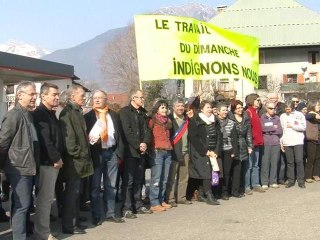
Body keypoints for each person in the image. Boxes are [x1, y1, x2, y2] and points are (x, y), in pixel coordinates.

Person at [0, 81, 38, 239]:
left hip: (28, 165)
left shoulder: (27, 113)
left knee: (23, 204)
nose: (34, 97)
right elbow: (3, 142)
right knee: (21, 205)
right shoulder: (13, 115)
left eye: (35, 94)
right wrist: (1, 167)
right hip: (18, 167)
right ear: (19, 95)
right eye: (31, 94)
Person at [84, 90, 125, 225]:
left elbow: (119, 134)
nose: (96, 100)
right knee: (95, 186)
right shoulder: (88, 116)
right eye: (94, 98)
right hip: (97, 153)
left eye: (99, 98)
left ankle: (111, 213)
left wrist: (119, 153)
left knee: (111, 185)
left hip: (111, 152)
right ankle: (97, 215)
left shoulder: (113, 115)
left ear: (105, 99)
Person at [59, 85, 94, 235]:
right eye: (81, 95)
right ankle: (70, 225)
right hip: (74, 160)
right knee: (72, 194)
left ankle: (76, 220)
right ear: (72, 96)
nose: (84, 97)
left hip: (80, 159)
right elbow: (70, 140)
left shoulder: (77, 112)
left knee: (77, 193)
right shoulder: (67, 113)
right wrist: (79, 153)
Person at [33, 83, 64, 240]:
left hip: (53, 162)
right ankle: (42, 233)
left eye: (58, 94)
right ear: (43, 96)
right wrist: (56, 158)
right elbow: (45, 140)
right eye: (54, 94)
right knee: (45, 199)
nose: (57, 97)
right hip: (48, 163)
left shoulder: (50, 113)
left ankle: (43, 231)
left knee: (47, 198)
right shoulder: (40, 114)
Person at [119, 89, 152, 219]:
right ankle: (126, 208)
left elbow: (148, 131)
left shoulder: (144, 113)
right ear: (133, 98)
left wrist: (145, 143)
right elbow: (127, 132)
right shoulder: (125, 112)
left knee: (139, 180)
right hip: (130, 152)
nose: (143, 99)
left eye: (143, 97)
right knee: (129, 181)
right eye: (140, 97)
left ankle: (138, 205)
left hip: (142, 152)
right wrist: (138, 145)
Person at [188, 100, 221, 205]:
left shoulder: (215, 120)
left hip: (213, 151)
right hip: (201, 152)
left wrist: (216, 150)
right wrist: (205, 151)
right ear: (201, 109)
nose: (210, 109)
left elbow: (219, 136)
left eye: (211, 107)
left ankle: (202, 194)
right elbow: (194, 138)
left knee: (211, 172)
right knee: (206, 173)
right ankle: (209, 194)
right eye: (208, 107)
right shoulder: (195, 120)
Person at [148, 99, 173, 212]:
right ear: (157, 109)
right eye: (162, 107)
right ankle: (154, 202)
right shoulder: (152, 120)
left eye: (166, 107)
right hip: (157, 151)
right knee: (156, 178)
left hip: (167, 151)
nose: (165, 109)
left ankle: (161, 200)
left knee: (164, 178)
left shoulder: (168, 121)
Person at [166, 97, 191, 206]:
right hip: (174, 152)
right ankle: (170, 199)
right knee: (171, 177)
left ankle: (181, 197)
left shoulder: (187, 119)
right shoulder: (168, 119)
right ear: (173, 107)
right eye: (178, 106)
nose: (181, 108)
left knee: (184, 177)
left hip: (186, 151)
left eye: (182, 106)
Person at [228, 100, 253, 196]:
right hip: (233, 144)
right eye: (238, 108)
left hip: (243, 144)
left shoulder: (246, 118)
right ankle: (232, 190)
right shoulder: (230, 118)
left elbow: (248, 134)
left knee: (242, 169)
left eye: (241, 107)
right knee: (233, 169)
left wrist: (250, 145)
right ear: (233, 109)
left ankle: (240, 188)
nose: (240, 109)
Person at [280, 101, 306, 188]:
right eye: (286, 109)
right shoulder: (282, 116)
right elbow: (282, 130)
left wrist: (292, 126)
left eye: (289, 108)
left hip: (297, 141)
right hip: (287, 142)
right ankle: (291, 180)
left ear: (292, 107)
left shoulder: (299, 115)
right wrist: (281, 142)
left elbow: (303, 127)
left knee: (299, 161)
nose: (287, 110)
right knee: (290, 162)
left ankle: (301, 181)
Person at [216, 103, 240, 199]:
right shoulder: (214, 122)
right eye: (223, 110)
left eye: (226, 110)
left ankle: (225, 192)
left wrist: (234, 151)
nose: (225, 112)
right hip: (218, 151)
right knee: (218, 173)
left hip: (228, 149)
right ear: (218, 111)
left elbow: (234, 138)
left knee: (227, 172)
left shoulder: (231, 123)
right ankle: (217, 192)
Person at [260, 101, 282, 190]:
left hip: (275, 143)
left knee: (274, 162)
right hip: (266, 143)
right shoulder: (262, 118)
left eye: (274, 108)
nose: (273, 110)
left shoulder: (277, 118)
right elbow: (262, 128)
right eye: (270, 108)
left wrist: (268, 129)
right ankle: (264, 182)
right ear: (266, 108)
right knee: (265, 163)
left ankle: (273, 181)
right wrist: (273, 127)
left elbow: (280, 130)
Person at [245, 94, 265, 194]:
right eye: (257, 100)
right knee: (249, 165)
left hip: (257, 143)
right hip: (251, 143)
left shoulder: (256, 112)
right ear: (252, 101)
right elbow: (248, 129)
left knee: (256, 165)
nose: (259, 102)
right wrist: (250, 143)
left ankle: (256, 184)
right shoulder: (248, 112)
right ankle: (247, 186)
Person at [267, 92, 287, 184]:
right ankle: (269, 179)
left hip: (282, 135)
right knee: (270, 161)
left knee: (282, 159)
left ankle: (280, 178)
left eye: (275, 98)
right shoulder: (264, 109)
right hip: (270, 139)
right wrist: (272, 128)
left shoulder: (283, 107)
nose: (274, 100)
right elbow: (264, 126)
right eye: (272, 98)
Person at [304, 101, 320, 183]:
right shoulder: (310, 114)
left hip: (318, 139)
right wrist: (315, 115)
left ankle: (316, 174)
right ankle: (308, 176)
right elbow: (309, 117)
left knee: (318, 158)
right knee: (310, 158)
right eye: (317, 105)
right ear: (313, 105)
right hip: (311, 139)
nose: (319, 106)